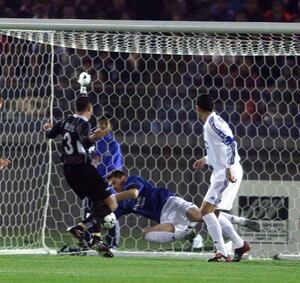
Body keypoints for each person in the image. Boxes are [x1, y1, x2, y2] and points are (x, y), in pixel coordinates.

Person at [43, 96, 118, 258]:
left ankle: (96, 239)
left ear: (75, 107)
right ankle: (81, 227)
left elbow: (49, 135)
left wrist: (47, 128)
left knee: (97, 201)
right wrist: (93, 138)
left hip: (69, 171)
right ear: (89, 109)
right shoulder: (84, 123)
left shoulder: (64, 121)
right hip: (83, 168)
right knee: (112, 203)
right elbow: (84, 141)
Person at [193, 93, 250, 262]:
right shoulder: (211, 122)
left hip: (226, 172)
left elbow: (231, 143)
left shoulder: (213, 123)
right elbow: (218, 148)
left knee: (205, 212)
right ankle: (240, 245)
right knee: (214, 213)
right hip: (221, 171)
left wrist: (228, 168)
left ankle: (222, 252)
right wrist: (205, 159)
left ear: (197, 108)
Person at [106, 170, 202, 244]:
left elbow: (134, 193)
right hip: (166, 220)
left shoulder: (133, 180)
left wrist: (113, 198)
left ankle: (215, 220)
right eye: (111, 186)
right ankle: (185, 234)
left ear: (123, 178)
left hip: (171, 203)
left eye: (114, 183)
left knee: (197, 216)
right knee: (146, 234)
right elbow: (110, 216)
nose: (113, 187)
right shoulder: (124, 203)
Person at [85, 116, 123, 248]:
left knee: (109, 214)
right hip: (94, 183)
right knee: (89, 212)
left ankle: (112, 243)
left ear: (109, 127)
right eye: (100, 124)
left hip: (107, 184)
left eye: (104, 124)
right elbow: (94, 159)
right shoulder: (96, 143)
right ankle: (87, 241)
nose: (101, 126)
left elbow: (115, 168)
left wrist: (107, 181)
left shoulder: (114, 145)